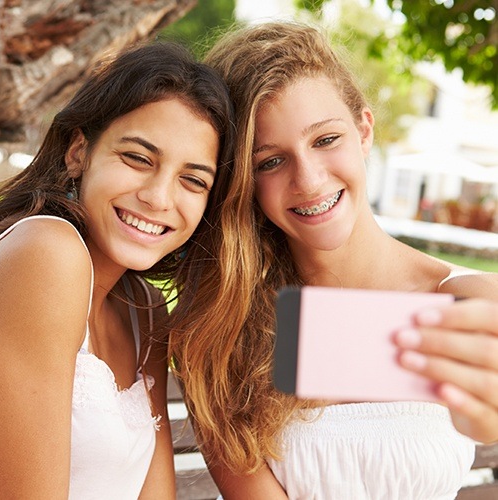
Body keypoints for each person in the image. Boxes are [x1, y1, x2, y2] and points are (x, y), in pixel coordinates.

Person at [167, 21, 498, 499]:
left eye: (325, 140)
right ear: (243, 180)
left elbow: (486, 426)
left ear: (364, 131)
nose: (310, 180)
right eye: (270, 161)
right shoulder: (224, 328)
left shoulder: (465, 299)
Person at [0, 39, 240, 499]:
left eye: (193, 180)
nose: (158, 197)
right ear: (78, 153)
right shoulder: (46, 252)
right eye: (137, 158)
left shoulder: (145, 310)